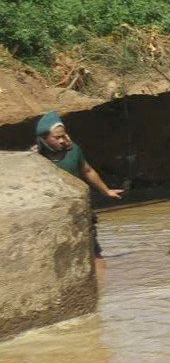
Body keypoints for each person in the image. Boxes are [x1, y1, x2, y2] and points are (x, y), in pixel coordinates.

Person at [33, 111, 124, 270]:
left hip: (77, 208)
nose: (62, 140)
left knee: (94, 253)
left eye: (63, 135)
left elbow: (87, 171)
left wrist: (106, 191)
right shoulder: (36, 157)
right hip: (53, 213)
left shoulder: (73, 150)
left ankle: (101, 288)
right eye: (57, 138)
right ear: (43, 139)